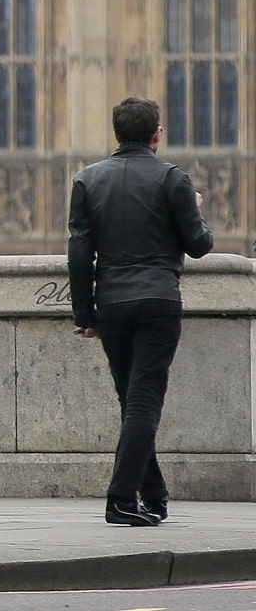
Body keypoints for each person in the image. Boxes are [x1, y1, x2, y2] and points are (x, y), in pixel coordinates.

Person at [67, 95, 213, 527]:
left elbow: (79, 255)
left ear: (117, 133)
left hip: (111, 303)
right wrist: (196, 210)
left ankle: (154, 494)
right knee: (144, 402)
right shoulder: (173, 178)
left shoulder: (88, 180)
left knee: (132, 402)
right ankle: (120, 499)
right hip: (159, 302)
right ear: (156, 134)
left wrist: (85, 315)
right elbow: (199, 246)